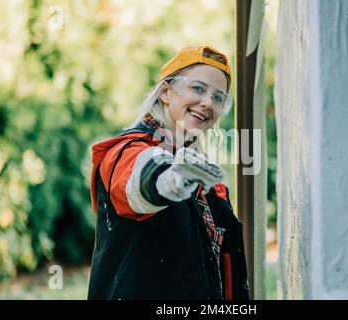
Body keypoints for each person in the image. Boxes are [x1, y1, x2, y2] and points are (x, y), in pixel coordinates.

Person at [87, 46, 249, 300]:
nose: (208, 102)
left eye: (219, 98)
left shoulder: (206, 186)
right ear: (165, 91)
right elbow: (141, 177)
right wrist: (167, 180)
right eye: (197, 88)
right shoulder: (126, 151)